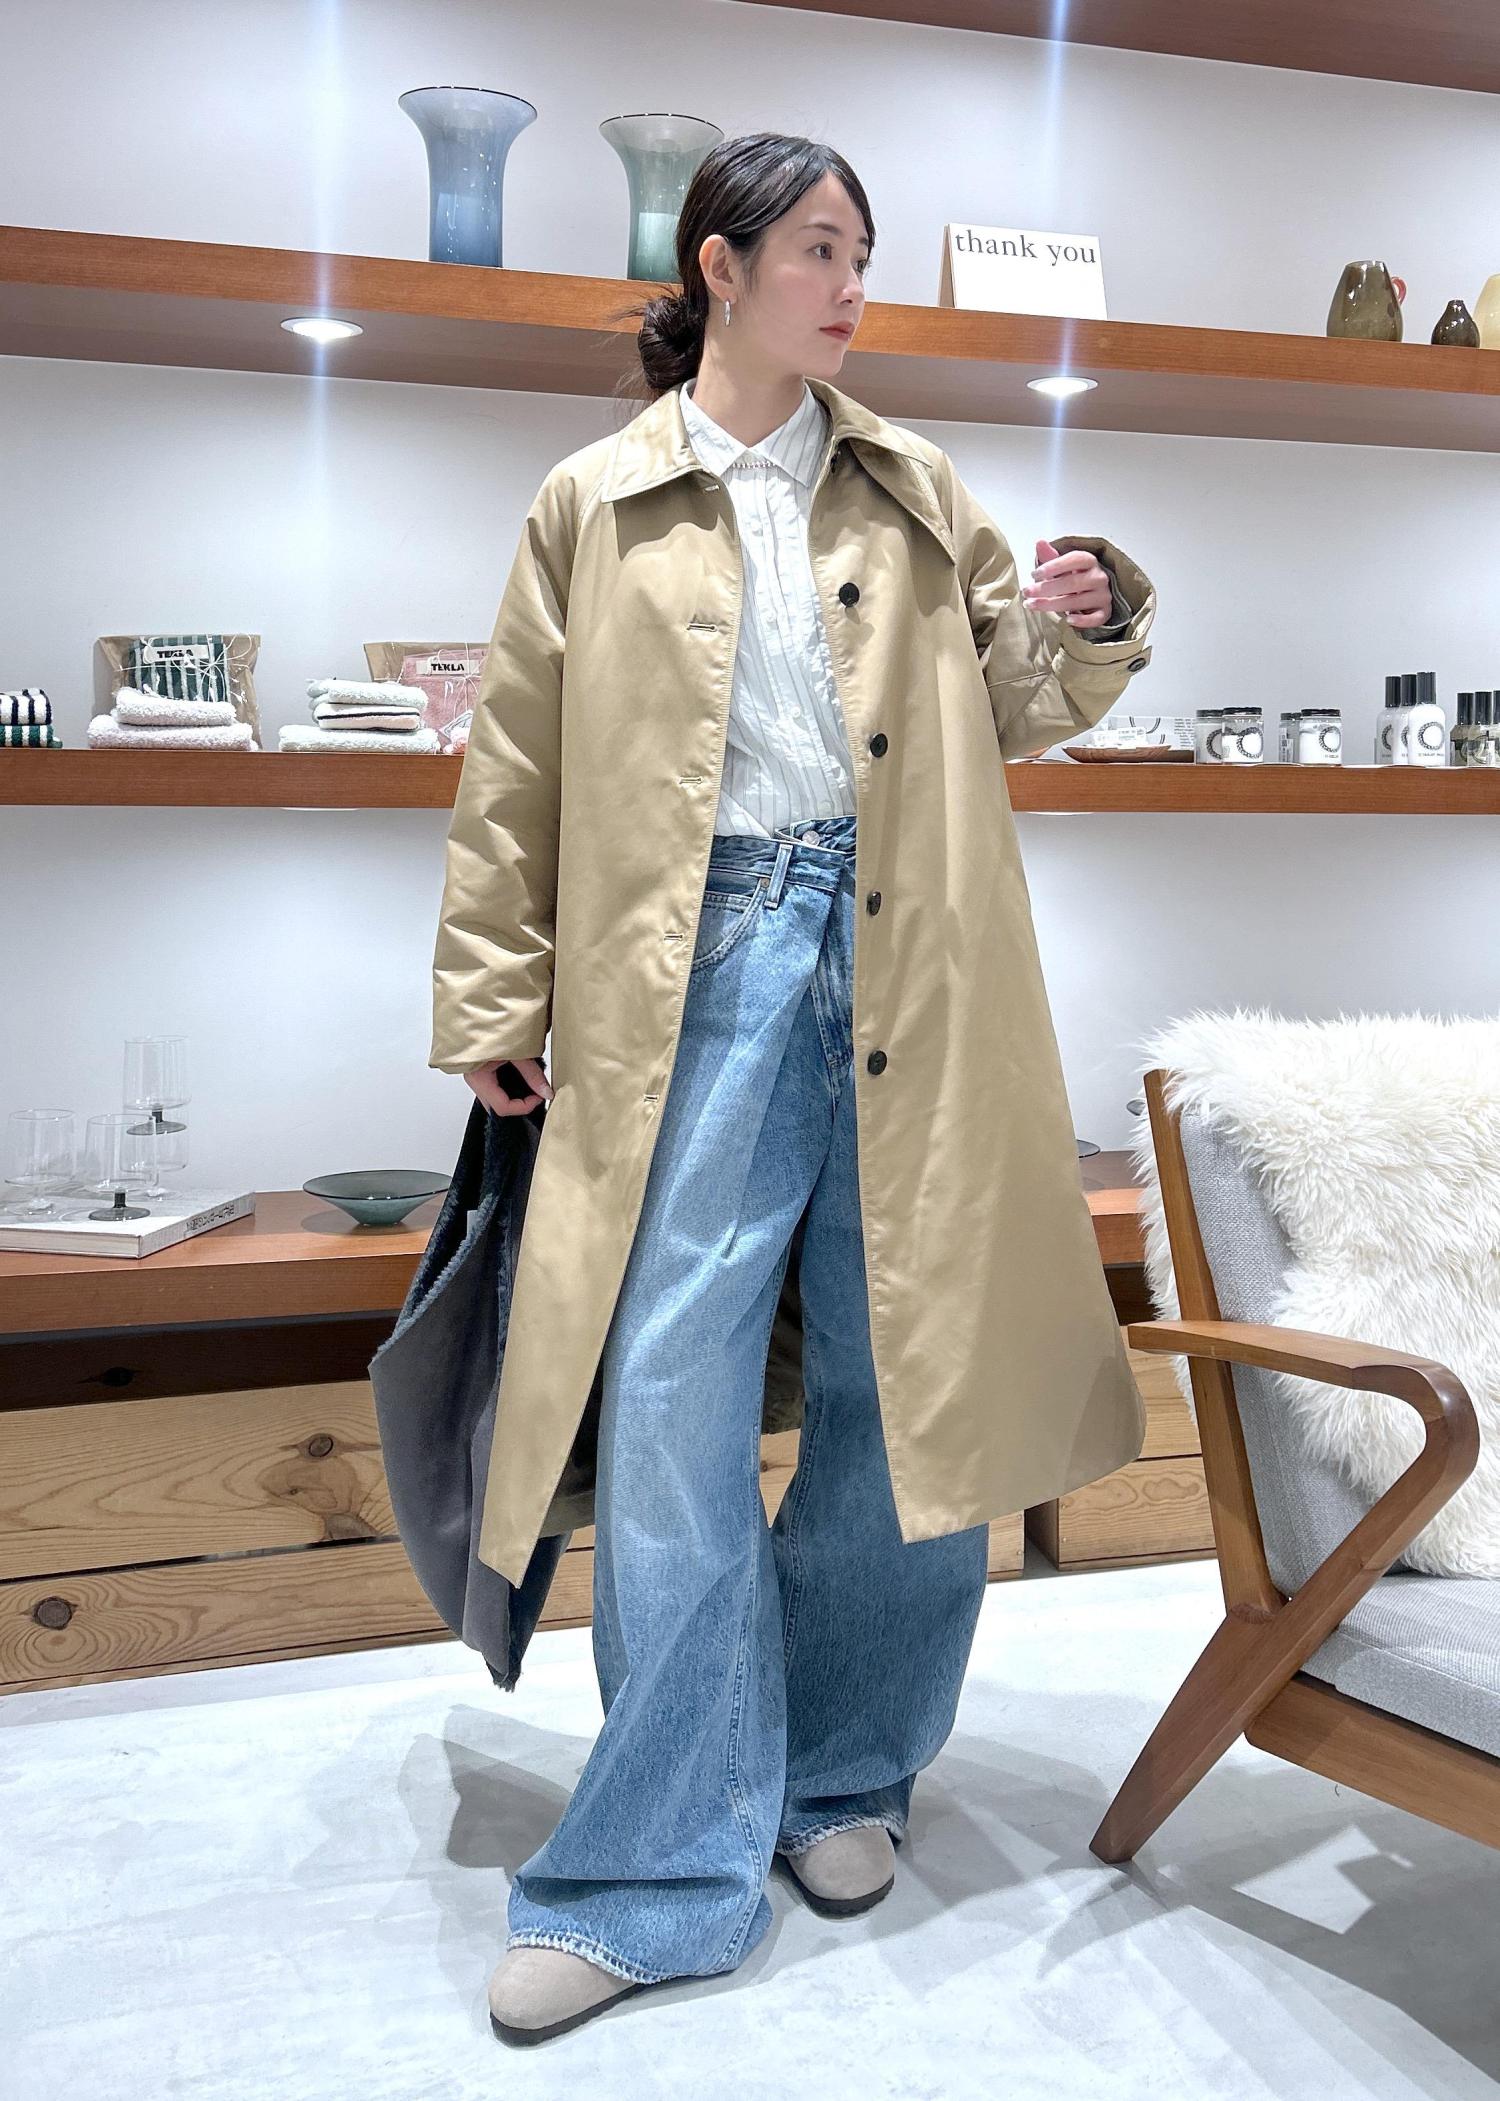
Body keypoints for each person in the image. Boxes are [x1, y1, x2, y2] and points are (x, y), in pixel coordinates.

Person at [430, 131, 1157, 2048]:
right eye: (821, 249)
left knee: (898, 1379)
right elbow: (513, 768)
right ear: (722, 265)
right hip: (701, 959)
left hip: (912, 953)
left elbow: (1019, 699)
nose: (851, 286)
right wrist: (496, 986)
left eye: (863, 253)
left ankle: (844, 1765)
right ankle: (656, 1865)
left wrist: (1085, 618)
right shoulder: (594, 501)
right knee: (667, 1392)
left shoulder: (911, 482)